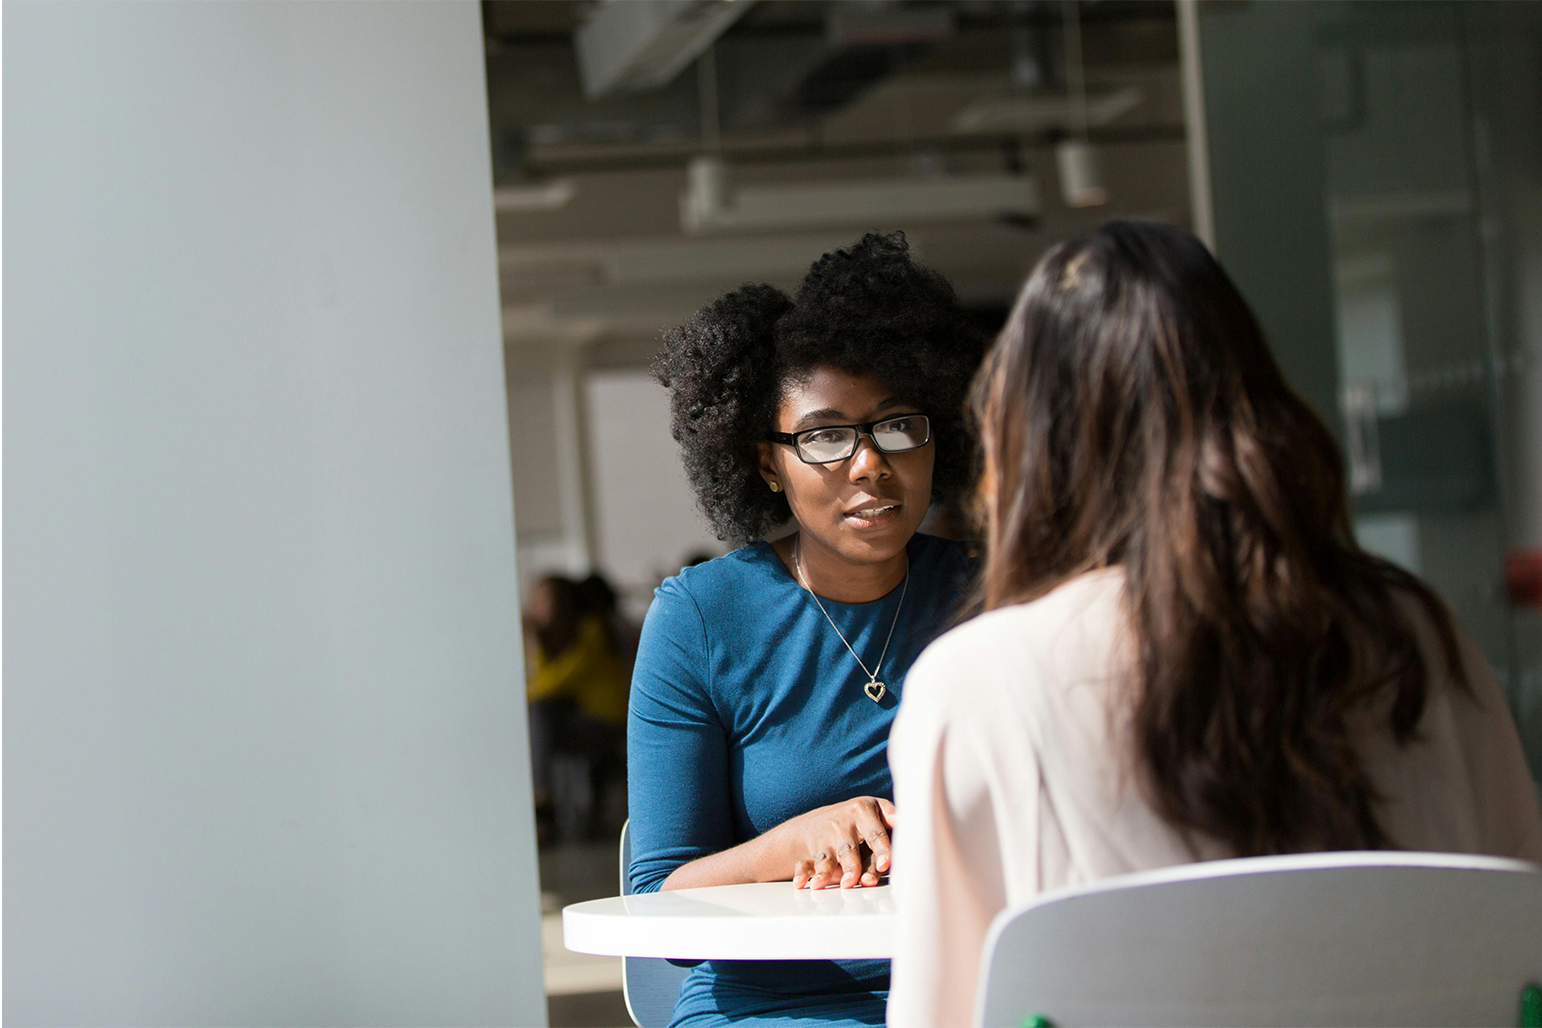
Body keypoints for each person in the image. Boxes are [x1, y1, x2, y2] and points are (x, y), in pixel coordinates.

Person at [885, 220, 1542, 1028]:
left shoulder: (980, 684)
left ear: (1032, 441)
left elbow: (937, 1014)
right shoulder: (1417, 636)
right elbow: (1522, 950)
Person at [630, 232, 986, 1028]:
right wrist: (798, 842)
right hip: (775, 1007)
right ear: (766, 463)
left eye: (898, 426)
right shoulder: (702, 618)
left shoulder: (989, 595)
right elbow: (658, 906)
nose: (870, 464)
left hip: (974, 991)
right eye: (826, 437)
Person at [525, 573, 629, 844]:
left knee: (538, 715)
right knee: (539, 717)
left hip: (603, 722)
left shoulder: (590, 630)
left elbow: (559, 681)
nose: (535, 608)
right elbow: (545, 681)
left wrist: (520, 696)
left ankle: (541, 800)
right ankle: (541, 801)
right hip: (576, 720)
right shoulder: (551, 639)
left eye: (541, 601)